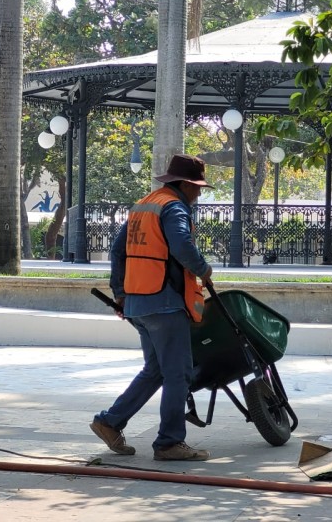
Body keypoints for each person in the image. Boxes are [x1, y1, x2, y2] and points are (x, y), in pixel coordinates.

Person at [90, 154, 214, 461]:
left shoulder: (143, 205)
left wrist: (121, 293)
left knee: (155, 370)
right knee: (178, 374)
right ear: (184, 184)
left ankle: (109, 422)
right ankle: (169, 442)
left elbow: (118, 252)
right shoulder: (173, 207)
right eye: (197, 187)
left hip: (138, 302)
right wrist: (203, 269)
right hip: (165, 302)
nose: (199, 193)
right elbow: (182, 245)